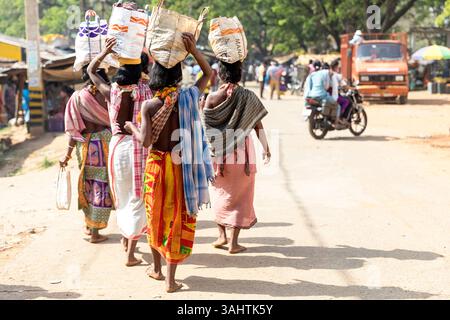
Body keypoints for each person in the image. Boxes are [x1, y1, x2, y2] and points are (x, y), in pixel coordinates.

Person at [125, 33, 214, 293]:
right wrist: (195, 51)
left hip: (157, 167)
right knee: (176, 217)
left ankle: (156, 268)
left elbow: (145, 141)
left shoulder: (150, 105)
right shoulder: (187, 98)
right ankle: (171, 280)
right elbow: (209, 75)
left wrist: (131, 126)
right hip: (182, 168)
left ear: (154, 77)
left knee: (155, 218)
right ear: (177, 77)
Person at [87, 38, 149, 267]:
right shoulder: (147, 91)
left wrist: (104, 52)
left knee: (121, 196)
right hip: (139, 147)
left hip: (117, 148)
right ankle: (130, 252)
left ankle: (126, 239)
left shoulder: (111, 91)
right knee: (137, 198)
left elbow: (91, 70)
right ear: (140, 71)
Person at [201, 60, 271, 255]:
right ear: (240, 74)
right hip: (243, 155)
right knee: (241, 195)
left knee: (220, 193)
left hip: (218, 156)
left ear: (221, 74)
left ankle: (221, 235)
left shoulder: (212, 98)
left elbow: (207, 127)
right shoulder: (248, 96)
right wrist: (266, 148)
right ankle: (233, 242)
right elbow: (258, 126)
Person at [60, 66, 113, 244]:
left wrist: (66, 155)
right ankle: (95, 231)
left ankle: (90, 226)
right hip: (105, 142)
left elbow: (72, 129)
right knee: (102, 186)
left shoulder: (77, 97)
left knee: (88, 184)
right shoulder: (109, 95)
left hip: (85, 145)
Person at [304, 61, 347, 128]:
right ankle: (336, 122)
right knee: (338, 106)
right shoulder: (327, 73)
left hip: (311, 95)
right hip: (321, 95)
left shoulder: (313, 74)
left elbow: (308, 86)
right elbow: (326, 86)